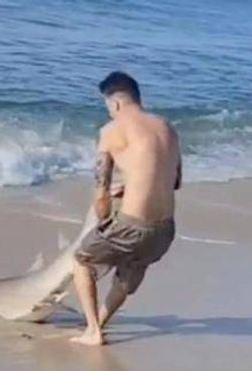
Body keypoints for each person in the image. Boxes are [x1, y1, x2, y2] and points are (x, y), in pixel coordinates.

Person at [71, 71, 181, 346]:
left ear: (116, 103)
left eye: (107, 106)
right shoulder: (167, 127)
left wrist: (104, 216)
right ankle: (102, 322)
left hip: (131, 225)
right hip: (164, 231)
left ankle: (93, 330)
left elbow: (101, 198)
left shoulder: (111, 130)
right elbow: (175, 181)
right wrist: (131, 187)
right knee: (129, 269)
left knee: (82, 261)